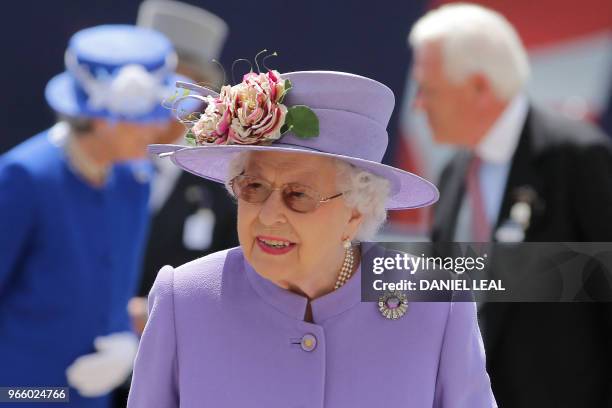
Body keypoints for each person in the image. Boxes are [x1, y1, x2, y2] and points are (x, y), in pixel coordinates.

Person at [127, 69, 497, 407]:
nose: (269, 215)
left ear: (356, 212)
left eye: (298, 195)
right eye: (253, 187)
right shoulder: (185, 297)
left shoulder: (437, 305)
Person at [408, 4, 612, 407]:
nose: (418, 105)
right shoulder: (452, 176)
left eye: (428, 89)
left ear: (480, 87)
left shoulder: (577, 157)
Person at [0, 25, 185, 408]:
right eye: (148, 115)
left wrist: (126, 342)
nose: (159, 126)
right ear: (102, 118)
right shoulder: (24, 177)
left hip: (93, 396)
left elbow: (115, 281)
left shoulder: (135, 177)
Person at [130, 0, 237, 333]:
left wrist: (159, 313)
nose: (163, 103)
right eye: (153, 85)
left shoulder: (218, 182)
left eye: (179, 90)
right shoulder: (92, 165)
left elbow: (229, 282)